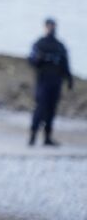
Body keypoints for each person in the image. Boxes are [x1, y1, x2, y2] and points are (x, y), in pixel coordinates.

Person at [28, 17, 73, 146]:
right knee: (40, 108)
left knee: (51, 109)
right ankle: (32, 137)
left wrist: (69, 79)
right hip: (43, 81)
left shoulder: (59, 46)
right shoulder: (40, 43)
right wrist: (39, 58)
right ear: (45, 27)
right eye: (49, 26)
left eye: (52, 25)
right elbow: (31, 60)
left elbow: (65, 64)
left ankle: (47, 138)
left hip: (56, 82)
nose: (51, 28)